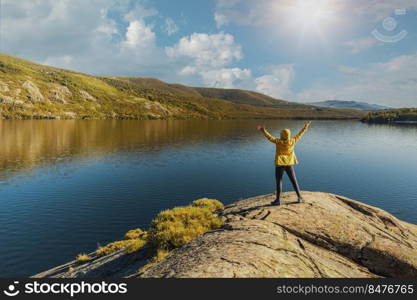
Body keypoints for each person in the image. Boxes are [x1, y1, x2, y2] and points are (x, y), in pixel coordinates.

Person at [257, 122, 311, 205]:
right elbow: (300, 134)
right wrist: (306, 127)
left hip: (279, 164)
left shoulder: (278, 142)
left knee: (279, 182)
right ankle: (300, 197)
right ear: (289, 135)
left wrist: (263, 131)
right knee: (294, 181)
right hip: (289, 164)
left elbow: (270, 138)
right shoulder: (293, 141)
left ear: (282, 135)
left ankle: (278, 200)